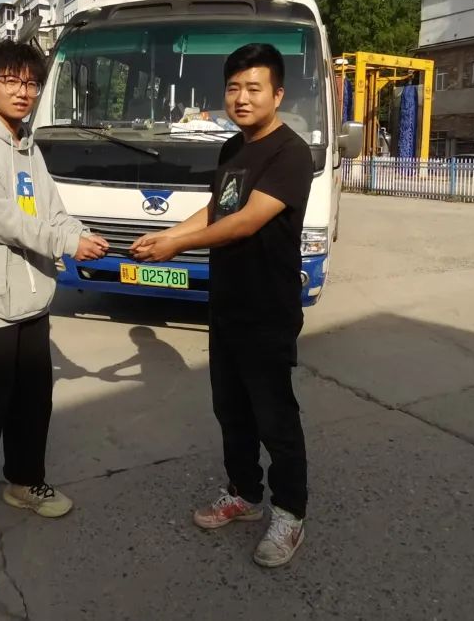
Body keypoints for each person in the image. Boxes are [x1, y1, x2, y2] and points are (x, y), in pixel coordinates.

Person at [130, 43, 313, 568]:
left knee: (275, 417)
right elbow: (218, 209)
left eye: (254, 88)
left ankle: (290, 513)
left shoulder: (289, 152)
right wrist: (167, 234)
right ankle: (244, 494)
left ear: (277, 94)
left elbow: (248, 221)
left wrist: (178, 247)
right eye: (234, 88)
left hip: (267, 308)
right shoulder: (233, 148)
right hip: (227, 302)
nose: (242, 98)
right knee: (231, 410)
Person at [0, 40, 109, 556]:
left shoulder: (28, 148)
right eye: (10, 81)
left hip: (32, 303)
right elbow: (2, 220)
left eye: (31, 83)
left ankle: (24, 481)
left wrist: (83, 235)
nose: (22, 92)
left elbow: (52, 213)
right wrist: (65, 243)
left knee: (33, 403)